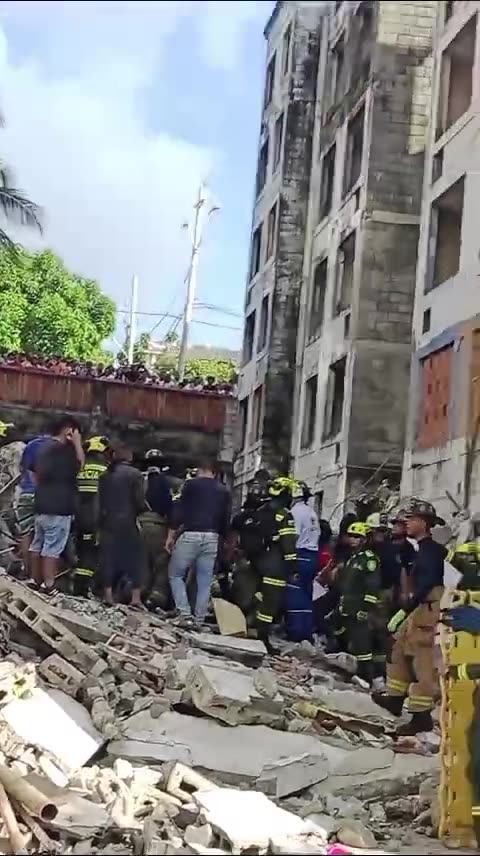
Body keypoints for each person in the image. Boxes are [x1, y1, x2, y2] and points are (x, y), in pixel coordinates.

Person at [373, 500, 446, 736]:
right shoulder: (417, 549)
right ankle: (395, 698)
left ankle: (421, 716)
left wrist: (410, 604)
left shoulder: (433, 551)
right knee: (399, 647)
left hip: (427, 608)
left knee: (422, 660)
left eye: (411, 519)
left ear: (423, 523)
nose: (406, 523)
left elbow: (428, 583)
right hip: (417, 608)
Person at [166, 458, 230, 625]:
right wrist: (223, 542)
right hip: (212, 537)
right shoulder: (224, 490)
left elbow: (178, 511)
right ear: (215, 473)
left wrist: (171, 536)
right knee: (205, 581)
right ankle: (199, 620)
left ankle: (185, 614)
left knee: (176, 574)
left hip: (190, 534)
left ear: (199, 470)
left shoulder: (190, 485)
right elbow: (225, 519)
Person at [29, 416, 84, 595]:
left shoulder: (42, 448)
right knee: (52, 546)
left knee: (37, 544)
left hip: (41, 503)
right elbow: (80, 465)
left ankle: (33, 579)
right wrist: (77, 443)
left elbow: (33, 473)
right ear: (68, 429)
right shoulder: (64, 451)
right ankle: (49, 584)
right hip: (59, 506)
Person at [98, 440, 147, 607]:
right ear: (129, 456)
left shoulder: (105, 475)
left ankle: (108, 596)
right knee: (135, 559)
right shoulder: (135, 474)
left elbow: (100, 501)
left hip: (108, 522)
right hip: (128, 522)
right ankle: (135, 599)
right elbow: (140, 502)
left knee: (109, 559)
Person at [253, 476, 297, 654]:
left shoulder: (262, 510)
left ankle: (252, 627)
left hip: (257, 562)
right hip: (275, 565)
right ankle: (262, 640)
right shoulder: (285, 515)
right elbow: (288, 544)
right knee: (270, 604)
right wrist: (293, 566)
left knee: (259, 597)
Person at [334, 521, 381, 685]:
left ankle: (366, 675)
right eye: (351, 536)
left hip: (359, 607)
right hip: (347, 605)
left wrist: (365, 608)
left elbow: (372, 586)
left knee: (362, 643)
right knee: (344, 636)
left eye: (357, 537)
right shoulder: (352, 559)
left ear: (364, 539)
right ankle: (348, 670)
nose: (352, 539)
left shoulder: (369, 560)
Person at [73, 436, 109, 597]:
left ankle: (78, 584)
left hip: (78, 518)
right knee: (91, 554)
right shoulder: (104, 471)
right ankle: (82, 588)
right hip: (95, 519)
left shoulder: (80, 469)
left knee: (81, 551)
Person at [141, 449, 173, 611]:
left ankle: (137, 594)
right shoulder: (164, 482)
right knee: (161, 562)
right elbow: (169, 506)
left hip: (137, 523)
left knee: (141, 561)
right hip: (156, 524)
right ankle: (156, 598)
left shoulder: (139, 479)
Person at [287, 481, 320, 642]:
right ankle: (306, 632)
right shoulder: (311, 512)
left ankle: (296, 633)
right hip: (313, 556)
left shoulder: (295, 512)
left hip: (300, 554)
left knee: (295, 594)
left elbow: (293, 536)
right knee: (307, 595)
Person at [15, 433, 50, 574]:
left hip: (25, 493)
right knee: (43, 535)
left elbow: (23, 468)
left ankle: (27, 570)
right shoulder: (58, 446)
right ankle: (41, 575)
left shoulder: (30, 445)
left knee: (25, 534)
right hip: (45, 494)